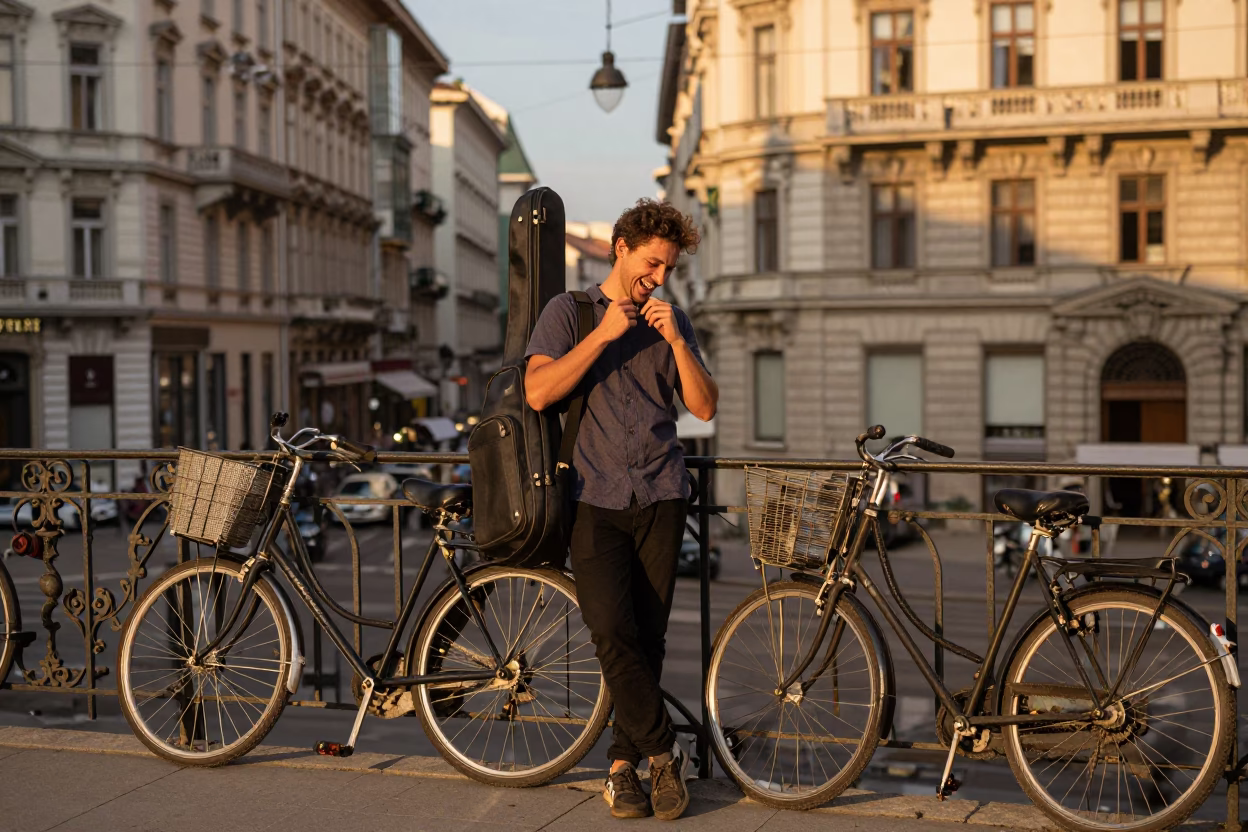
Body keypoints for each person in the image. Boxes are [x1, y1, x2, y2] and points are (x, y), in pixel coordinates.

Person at [524, 199, 717, 820]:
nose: (659, 277)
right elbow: (537, 391)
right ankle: (664, 754)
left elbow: (705, 408)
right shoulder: (569, 313)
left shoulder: (673, 319)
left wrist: (677, 342)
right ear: (621, 249)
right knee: (610, 631)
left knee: (648, 639)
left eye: (667, 268)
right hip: (592, 496)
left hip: (661, 493)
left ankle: (621, 769)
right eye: (652, 263)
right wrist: (604, 335)